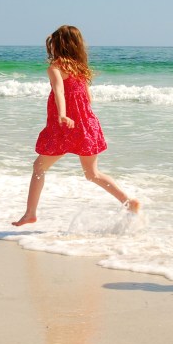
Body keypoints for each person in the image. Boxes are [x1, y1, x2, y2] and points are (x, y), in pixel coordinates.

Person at [13, 25, 140, 226]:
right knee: (92, 174)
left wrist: (62, 114)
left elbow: (59, 92)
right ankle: (127, 201)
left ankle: (30, 213)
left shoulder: (55, 68)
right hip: (87, 124)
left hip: (64, 127)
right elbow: (88, 99)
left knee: (38, 167)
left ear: (58, 44)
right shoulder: (81, 70)